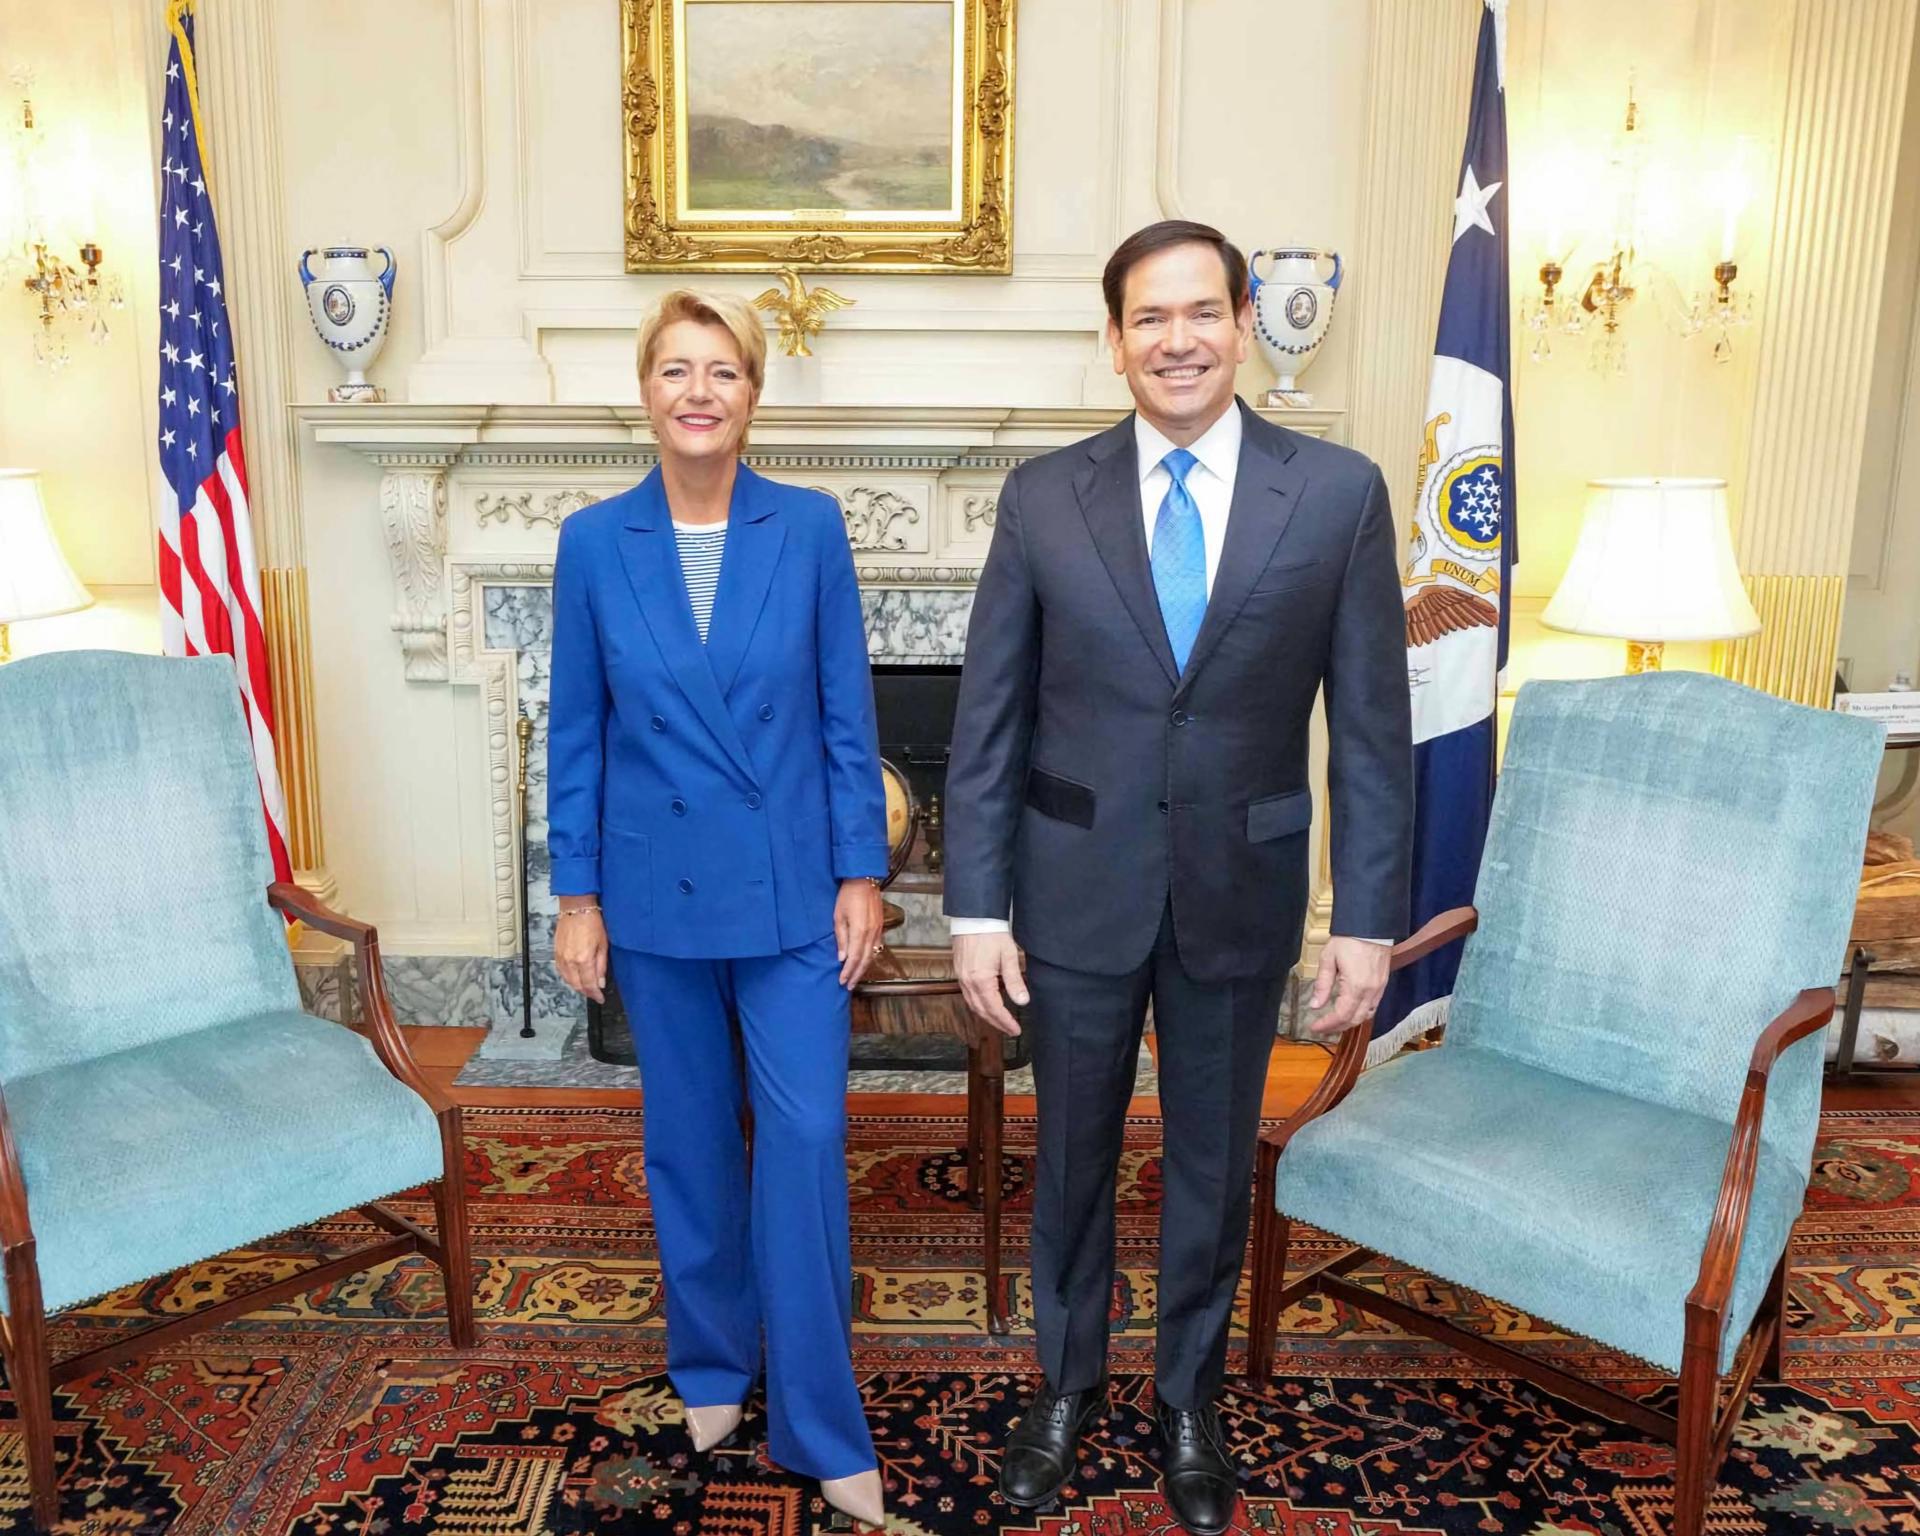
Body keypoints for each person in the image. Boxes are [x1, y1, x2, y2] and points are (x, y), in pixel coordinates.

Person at [943, 221, 1413, 1536]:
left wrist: (1366, 924)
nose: (1179, 339)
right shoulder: (1044, 497)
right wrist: (975, 909)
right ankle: (1066, 1387)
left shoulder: (1336, 494)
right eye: (1150, 318)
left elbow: (1371, 729)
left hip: (1240, 897)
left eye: (1203, 311)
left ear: (1244, 321)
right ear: (1113, 342)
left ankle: (1188, 1402)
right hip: (1072, 896)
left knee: (1211, 1164)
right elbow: (989, 720)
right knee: (1074, 1163)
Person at [548, 289, 889, 1529]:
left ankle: (817, 1418)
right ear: (645, 390)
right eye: (677, 369)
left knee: (800, 1149)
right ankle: (708, 1364)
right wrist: (574, 895)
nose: (701, 390)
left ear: (755, 394)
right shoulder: (594, 541)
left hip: (795, 890)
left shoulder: (808, 529)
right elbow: (577, 732)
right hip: (654, 893)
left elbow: (849, 718)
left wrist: (863, 875)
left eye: (725, 371)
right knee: (687, 1139)